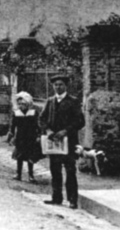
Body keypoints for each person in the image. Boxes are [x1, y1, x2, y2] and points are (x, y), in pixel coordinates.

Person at [39, 74, 85, 209]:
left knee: (70, 171)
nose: (58, 87)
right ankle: (56, 198)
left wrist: (66, 131)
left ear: (66, 86)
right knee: (55, 171)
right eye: (55, 85)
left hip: (69, 142)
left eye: (60, 85)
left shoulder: (73, 101)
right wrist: (47, 131)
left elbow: (80, 121)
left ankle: (72, 200)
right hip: (54, 143)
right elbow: (41, 119)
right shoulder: (50, 101)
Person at [5, 91, 43, 183]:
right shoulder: (16, 113)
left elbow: (38, 126)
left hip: (31, 137)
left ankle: (31, 175)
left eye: (23, 104)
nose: (21, 106)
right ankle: (19, 174)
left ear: (28, 103)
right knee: (20, 157)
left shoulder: (33, 113)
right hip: (20, 138)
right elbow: (13, 126)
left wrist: (39, 135)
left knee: (30, 157)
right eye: (19, 104)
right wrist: (11, 135)